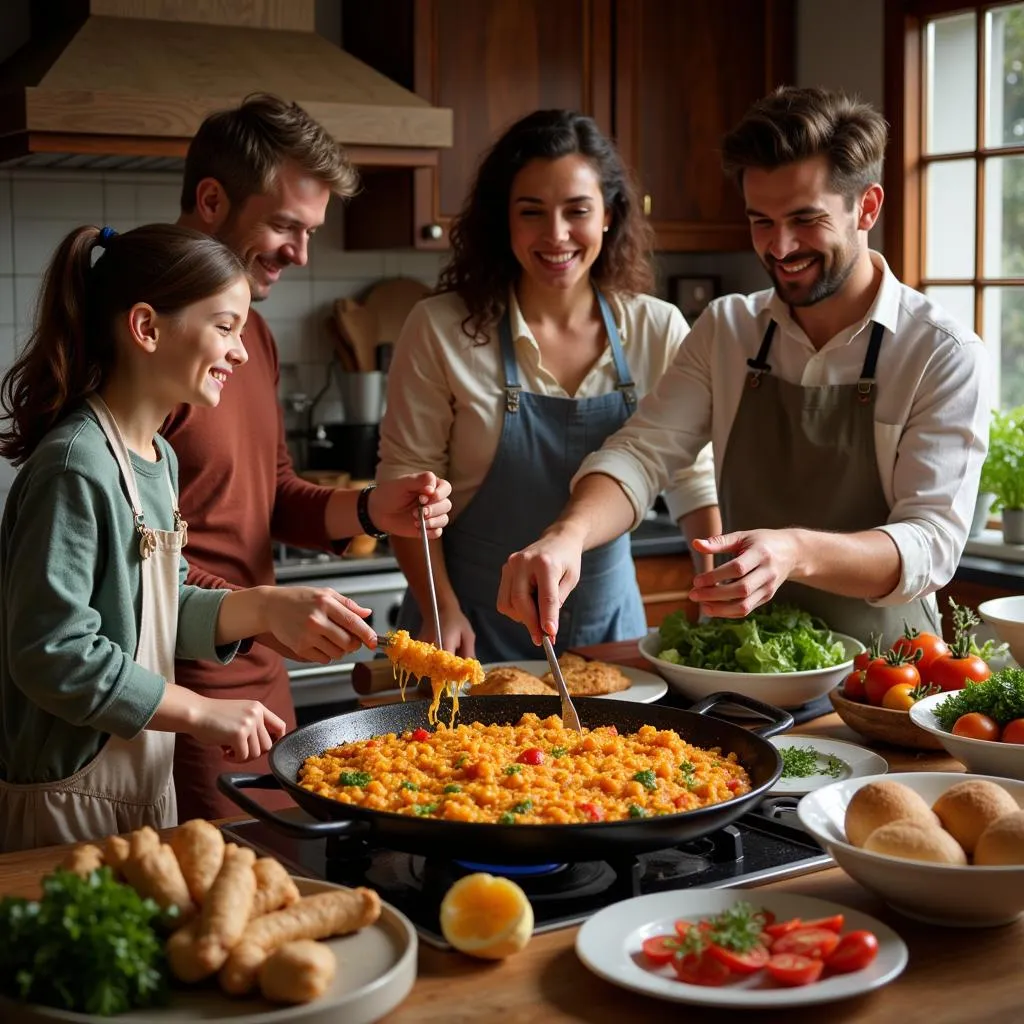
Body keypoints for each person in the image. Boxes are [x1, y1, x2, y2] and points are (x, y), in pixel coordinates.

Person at [497, 87, 990, 650]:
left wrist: (794, 552)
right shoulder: (728, 329)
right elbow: (641, 453)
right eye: (761, 221)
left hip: (885, 679)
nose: (780, 247)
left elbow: (932, 542)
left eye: (806, 219)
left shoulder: (941, 352)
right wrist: (567, 536)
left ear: (867, 207)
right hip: (742, 667)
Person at [0, 224, 390, 852]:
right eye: (224, 327)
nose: (240, 352)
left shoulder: (156, 456)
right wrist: (201, 710)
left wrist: (263, 608)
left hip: (140, 784)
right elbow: (51, 652)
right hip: (62, 799)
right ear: (147, 328)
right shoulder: (75, 465)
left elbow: (159, 604)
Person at [168, 93, 452, 820]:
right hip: (184, 706)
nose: (300, 253)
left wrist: (366, 507)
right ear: (210, 200)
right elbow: (136, 557)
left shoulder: (250, 335)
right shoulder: (153, 343)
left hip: (269, 694)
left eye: (310, 230)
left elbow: (271, 492)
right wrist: (262, 610)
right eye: (286, 225)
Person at [376, 109, 715, 662]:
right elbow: (407, 489)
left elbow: (692, 478)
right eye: (531, 212)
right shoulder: (440, 328)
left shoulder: (657, 328)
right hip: (466, 626)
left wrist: (713, 601)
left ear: (609, 215)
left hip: (610, 630)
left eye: (577, 211)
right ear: (502, 220)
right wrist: (442, 609)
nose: (555, 235)